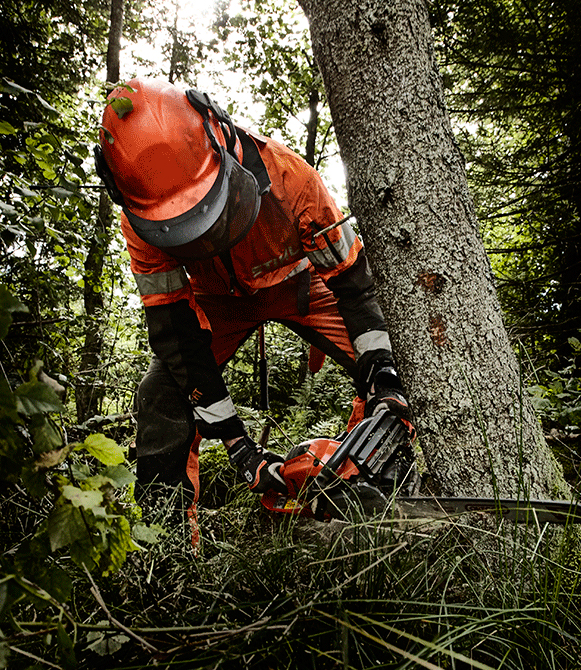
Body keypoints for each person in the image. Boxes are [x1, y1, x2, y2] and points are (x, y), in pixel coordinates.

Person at [94, 76, 409, 532]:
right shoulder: (143, 216)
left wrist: (381, 373)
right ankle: (168, 544)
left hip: (301, 286)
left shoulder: (290, 179)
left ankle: (377, 467)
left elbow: (353, 284)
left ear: (218, 136)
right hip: (217, 303)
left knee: (397, 363)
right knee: (162, 393)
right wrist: (239, 445)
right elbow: (176, 335)